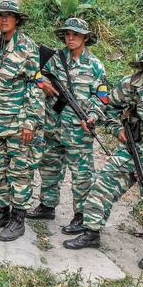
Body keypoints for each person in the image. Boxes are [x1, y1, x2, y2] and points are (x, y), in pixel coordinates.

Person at [64, 48, 143, 272]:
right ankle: (91, 232)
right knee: (103, 185)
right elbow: (109, 108)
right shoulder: (128, 84)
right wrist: (116, 129)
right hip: (132, 147)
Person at [28, 17, 108, 234]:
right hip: (53, 125)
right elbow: (30, 71)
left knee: (82, 175)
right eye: (68, 34)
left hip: (78, 130)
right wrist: (41, 82)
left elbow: (101, 98)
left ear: (85, 38)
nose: (71, 38)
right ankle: (47, 205)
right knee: (49, 167)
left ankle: (81, 216)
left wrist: (92, 116)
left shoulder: (96, 67)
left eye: (76, 35)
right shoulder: (53, 60)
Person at [0, 0, 44, 242]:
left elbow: (36, 86)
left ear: (17, 20)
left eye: (9, 16)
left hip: (17, 122)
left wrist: (30, 122)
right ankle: (1, 212)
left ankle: (18, 219)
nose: (4, 19)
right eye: (0, 15)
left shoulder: (27, 47)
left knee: (19, 172)